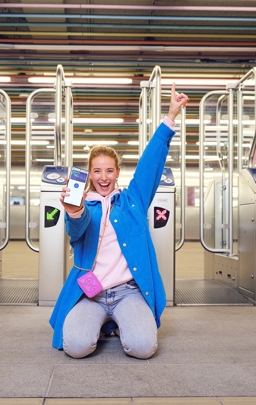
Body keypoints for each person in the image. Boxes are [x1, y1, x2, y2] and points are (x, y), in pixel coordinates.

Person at [49, 84, 189, 359]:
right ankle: (106, 324)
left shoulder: (132, 200)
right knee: (75, 347)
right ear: (89, 173)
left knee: (143, 347)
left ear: (117, 173)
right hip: (92, 292)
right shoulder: (83, 204)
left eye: (109, 171)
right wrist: (73, 210)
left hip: (129, 292)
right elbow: (76, 232)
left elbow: (150, 164)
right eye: (97, 171)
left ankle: (117, 323)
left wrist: (170, 117)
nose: (103, 177)